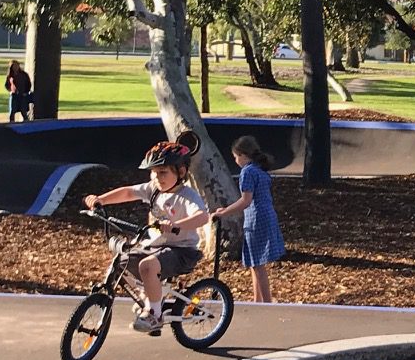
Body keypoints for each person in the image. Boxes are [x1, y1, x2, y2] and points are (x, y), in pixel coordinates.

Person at [82, 132, 209, 334]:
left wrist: (177, 224)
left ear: (181, 171)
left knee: (147, 265)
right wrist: (100, 200)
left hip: (181, 251)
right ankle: (149, 297)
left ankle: (155, 315)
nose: (157, 178)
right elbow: (128, 192)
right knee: (123, 260)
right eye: (154, 173)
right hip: (156, 246)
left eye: (163, 173)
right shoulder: (153, 189)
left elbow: (202, 217)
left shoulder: (187, 197)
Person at [211, 135, 284, 303]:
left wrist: (224, 213)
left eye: (236, 157)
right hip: (267, 214)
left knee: (257, 264)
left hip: (256, 218)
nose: (236, 161)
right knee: (254, 261)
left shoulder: (247, 171)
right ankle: (258, 300)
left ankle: (266, 302)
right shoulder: (259, 169)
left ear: (243, 155)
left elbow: (246, 200)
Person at [4, 59, 32, 124]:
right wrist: (10, 90)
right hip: (14, 95)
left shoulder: (24, 74)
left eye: (16, 65)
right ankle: (12, 124)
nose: (15, 67)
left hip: (22, 95)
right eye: (14, 66)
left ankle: (26, 124)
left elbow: (28, 84)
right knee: (12, 112)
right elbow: (7, 85)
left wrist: (26, 92)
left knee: (23, 112)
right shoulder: (10, 76)